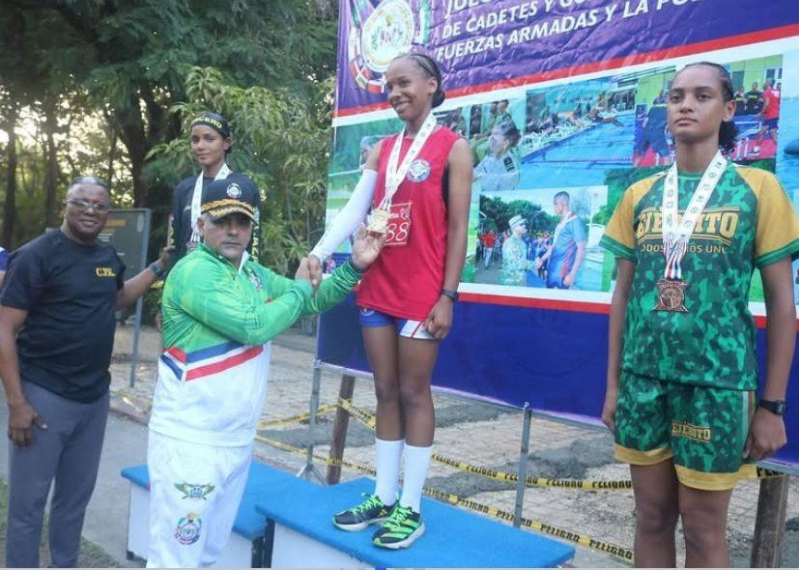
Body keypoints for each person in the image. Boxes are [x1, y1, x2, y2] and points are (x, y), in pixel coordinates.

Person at [600, 62, 799, 567]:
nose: (685, 104)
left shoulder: (757, 189)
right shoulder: (639, 195)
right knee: (650, 518)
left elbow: (781, 302)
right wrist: (613, 387)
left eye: (702, 95)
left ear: (728, 109)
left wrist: (771, 406)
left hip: (717, 386)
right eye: (676, 96)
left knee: (705, 528)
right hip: (643, 382)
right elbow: (621, 296)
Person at [146, 176, 384, 567]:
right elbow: (256, 326)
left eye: (242, 222)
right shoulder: (193, 272)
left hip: (235, 441)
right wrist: (298, 289)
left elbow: (312, 300)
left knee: (207, 555)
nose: (233, 230)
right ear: (201, 225)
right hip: (190, 443)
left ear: (251, 227)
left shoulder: (252, 273)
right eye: (222, 221)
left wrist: (354, 266)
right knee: (176, 558)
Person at [306, 52, 472, 549]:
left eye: (403, 83)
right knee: (383, 390)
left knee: (414, 392)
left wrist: (448, 295)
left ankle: (412, 507)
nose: (394, 92)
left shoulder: (454, 148)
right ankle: (382, 494)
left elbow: (460, 227)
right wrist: (318, 251)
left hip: (423, 294)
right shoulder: (382, 148)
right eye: (388, 86)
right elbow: (359, 206)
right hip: (377, 287)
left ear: (431, 85)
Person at [0, 176, 172, 568]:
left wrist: (158, 268)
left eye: (99, 206)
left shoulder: (104, 257)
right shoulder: (35, 256)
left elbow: (117, 298)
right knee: (28, 507)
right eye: (82, 203)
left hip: (93, 400)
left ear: (107, 215)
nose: (90, 211)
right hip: (44, 398)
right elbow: (4, 328)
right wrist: (16, 402)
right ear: (66, 205)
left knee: (74, 502)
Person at [169, 112, 260, 262]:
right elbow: (176, 243)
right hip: (188, 276)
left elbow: (254, 242)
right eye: (195, 140)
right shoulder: (183, 188)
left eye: (209, 139)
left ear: (226, 143)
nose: (200, 146)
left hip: (227, 279)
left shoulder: (243, 186)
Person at [535, 192, 587, 289]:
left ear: (563, 203)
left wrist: (572, 274)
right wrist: (542, 259)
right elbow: (554, 247)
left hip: (562, 273)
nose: (554, 207)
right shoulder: (561, 222)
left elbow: (582, 249)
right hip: (552, 271)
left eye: (555, 204)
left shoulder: (575, 222)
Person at [474, 120, 522, 191]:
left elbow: (512, 179)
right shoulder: (490, 157)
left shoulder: (508, 161)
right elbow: (478, 170)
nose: (490, 139)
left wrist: (481, 176)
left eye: (496, 134)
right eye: (492, 134)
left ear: (506, 142)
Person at [752, 79, 780, 155]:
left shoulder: (766, 92)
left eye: (765, 82)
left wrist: (760, 114)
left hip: (771, 115)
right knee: (761, 132)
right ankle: (756, 150)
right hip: (772, 115)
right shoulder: (777, 91)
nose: (763, 83)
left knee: (773, 133)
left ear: (768, 83)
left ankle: (779, 151)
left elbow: (767, 103)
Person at [501, 215, 530, 286]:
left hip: (520, 280)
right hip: (512, 282)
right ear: (514, 227)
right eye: (521, 224)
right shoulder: (511, 243)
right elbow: (517, 264)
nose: (524, 226)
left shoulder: (521, 242)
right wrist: (534, 264)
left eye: (524, 224)